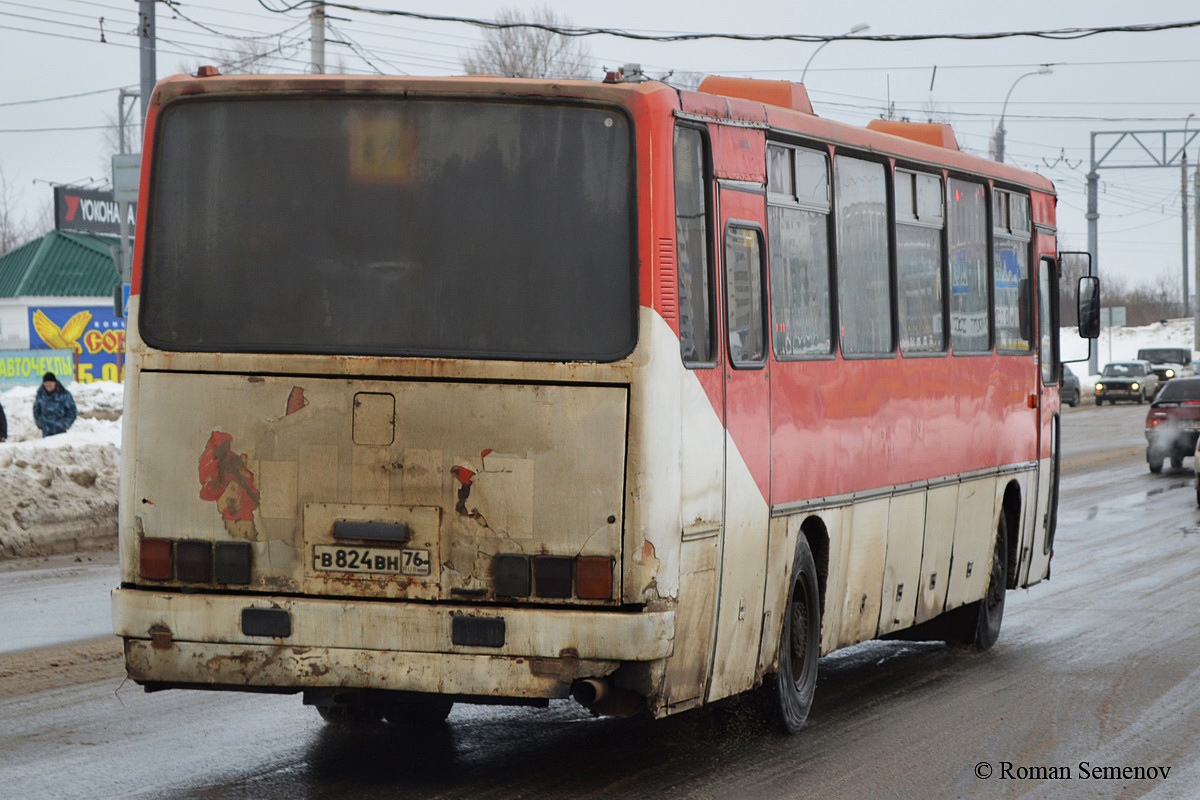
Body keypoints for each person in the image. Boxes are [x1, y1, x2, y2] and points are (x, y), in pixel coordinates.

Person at [33, 371, 77, 437]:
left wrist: (65, 424)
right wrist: (40, 424)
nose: (48, 385)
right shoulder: (40, 395)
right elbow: (36, 410)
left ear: (55, 383)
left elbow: (72, 411)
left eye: (50, 382)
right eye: (46, 383)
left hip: (60, 432)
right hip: (46, 433)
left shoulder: (64, 394)